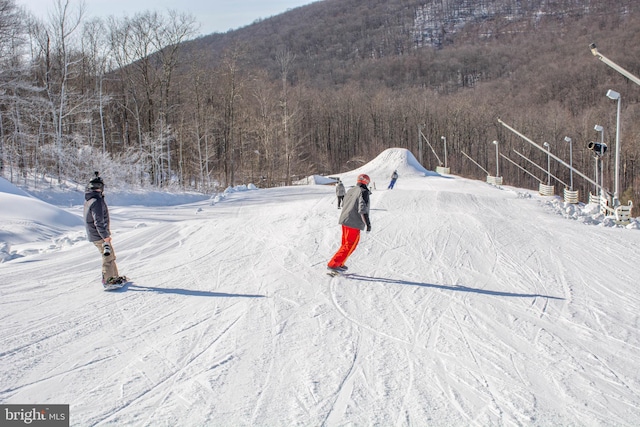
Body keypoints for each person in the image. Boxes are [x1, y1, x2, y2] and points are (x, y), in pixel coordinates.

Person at [84, 172, 126, 286]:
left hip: (95, 234)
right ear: (101, 187)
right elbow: (98, 221)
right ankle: (108, 280)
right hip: (99, 235)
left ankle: (114, 277)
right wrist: (105, 236)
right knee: (107, 256)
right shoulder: (96, 201)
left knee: (110, 255)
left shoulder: (91, 199)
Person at [327, 174, 372, 273]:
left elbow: (344, 204)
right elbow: (362, 210)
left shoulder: (351, 190)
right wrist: (368, 224)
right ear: (367, 182)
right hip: (353, 222)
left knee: (345, 244)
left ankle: (340, 263)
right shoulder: (363, 192)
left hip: (345, 220)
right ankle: (333, 264)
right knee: (350, 245)